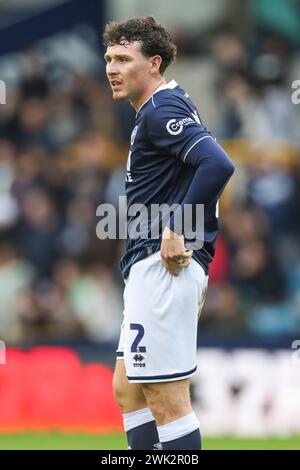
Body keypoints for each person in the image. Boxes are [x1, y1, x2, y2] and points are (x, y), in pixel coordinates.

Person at [103, 16, 234, 450]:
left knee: (167, 400)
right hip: (150, 267)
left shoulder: (162, 109)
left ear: (154, 63)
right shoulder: (157, 109)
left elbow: (218, 164)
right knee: (129, 389)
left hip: (164, 268)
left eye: (123, 58)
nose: (111, 68)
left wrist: (177, 228)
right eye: (108, 58)